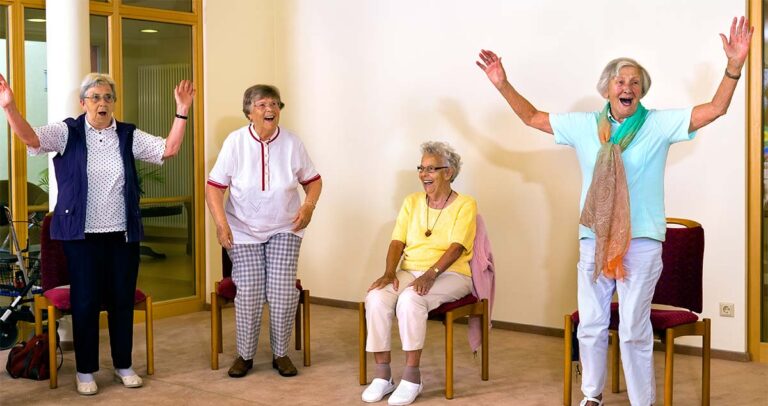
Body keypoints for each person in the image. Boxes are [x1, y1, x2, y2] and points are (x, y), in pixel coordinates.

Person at [476, 16, 752, 406]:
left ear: (642, 93)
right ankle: (592, 396)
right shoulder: (584, 127)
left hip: (641, 243)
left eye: (635, 82)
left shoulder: (657, 125)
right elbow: (532, 117)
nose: (628, 86)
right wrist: (502, 83)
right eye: (621, 81)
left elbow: (715, 109)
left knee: (634, 330)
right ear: (606, 89)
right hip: (594, 241)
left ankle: (642, 402)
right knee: (590, 325)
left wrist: (734, 67)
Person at [0, 72, 194, 395]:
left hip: (122, 235)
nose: (102, 103)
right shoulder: (68, 133)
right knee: (86, 301)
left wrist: (182, 110)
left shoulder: (128, 135)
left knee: (121, 300)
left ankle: (123, 365)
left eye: (107, 97)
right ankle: (86, 370)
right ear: (83, 103)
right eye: (95, 97)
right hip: (82, 236)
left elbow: (168, 149)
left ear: (114, 103)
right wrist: (9, 107)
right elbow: (31, 139)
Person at [205, 84, 322, 379]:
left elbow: (314, 180)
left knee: (282, 291)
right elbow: (215, 187)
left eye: (274, 104)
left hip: (285, 226)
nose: (270, 109)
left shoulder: (293, 143)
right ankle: (244, 355)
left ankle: (281, 354)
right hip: (242, 229)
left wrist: (308, 207)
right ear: (249, 112)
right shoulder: (235, 142)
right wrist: (221, 224)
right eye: (262, 104)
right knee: (251, 292)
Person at [362, 141, 477, 406]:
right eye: (421, 168)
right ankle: (383, 375)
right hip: (410, 269)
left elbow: (457, 247)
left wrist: (431, 274)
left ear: (448, 172)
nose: (423, 174)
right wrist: (389, 272)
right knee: (377, 297)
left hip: (452, 274)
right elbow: (397, 241)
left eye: (431, 169)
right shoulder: (411, 202)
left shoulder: (466, 204)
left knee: (411, 299)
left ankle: (412, 377)